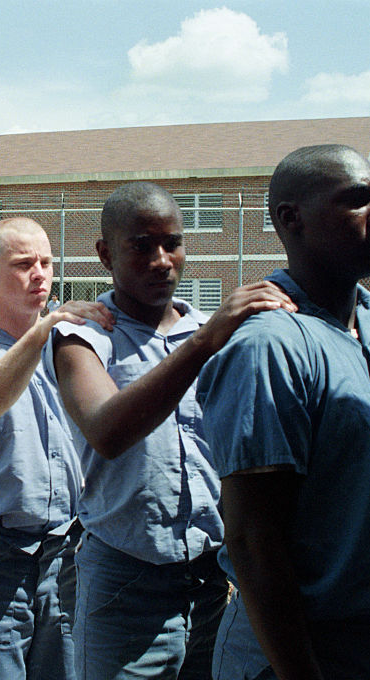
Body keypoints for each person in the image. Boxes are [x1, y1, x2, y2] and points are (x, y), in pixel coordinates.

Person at [196, 145, 370, 680]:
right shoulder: (269, 346)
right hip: (301, 654)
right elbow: (252, 539)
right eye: (358, 200)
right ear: (289, 218)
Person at [50, 182, 294, 680]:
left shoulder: (209, 333)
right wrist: (205, 342)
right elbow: (107, 430)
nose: (162, 260)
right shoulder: (83, 338)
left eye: (172, 243)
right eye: (141, 245)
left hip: (208, 575)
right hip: (125, 578)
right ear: (104, 253)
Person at [0, 218, 113, 679]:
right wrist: (39, 333)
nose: (39, 274)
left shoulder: (75, 345)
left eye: (46, 263)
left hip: (68, 547)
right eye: (22, 264)